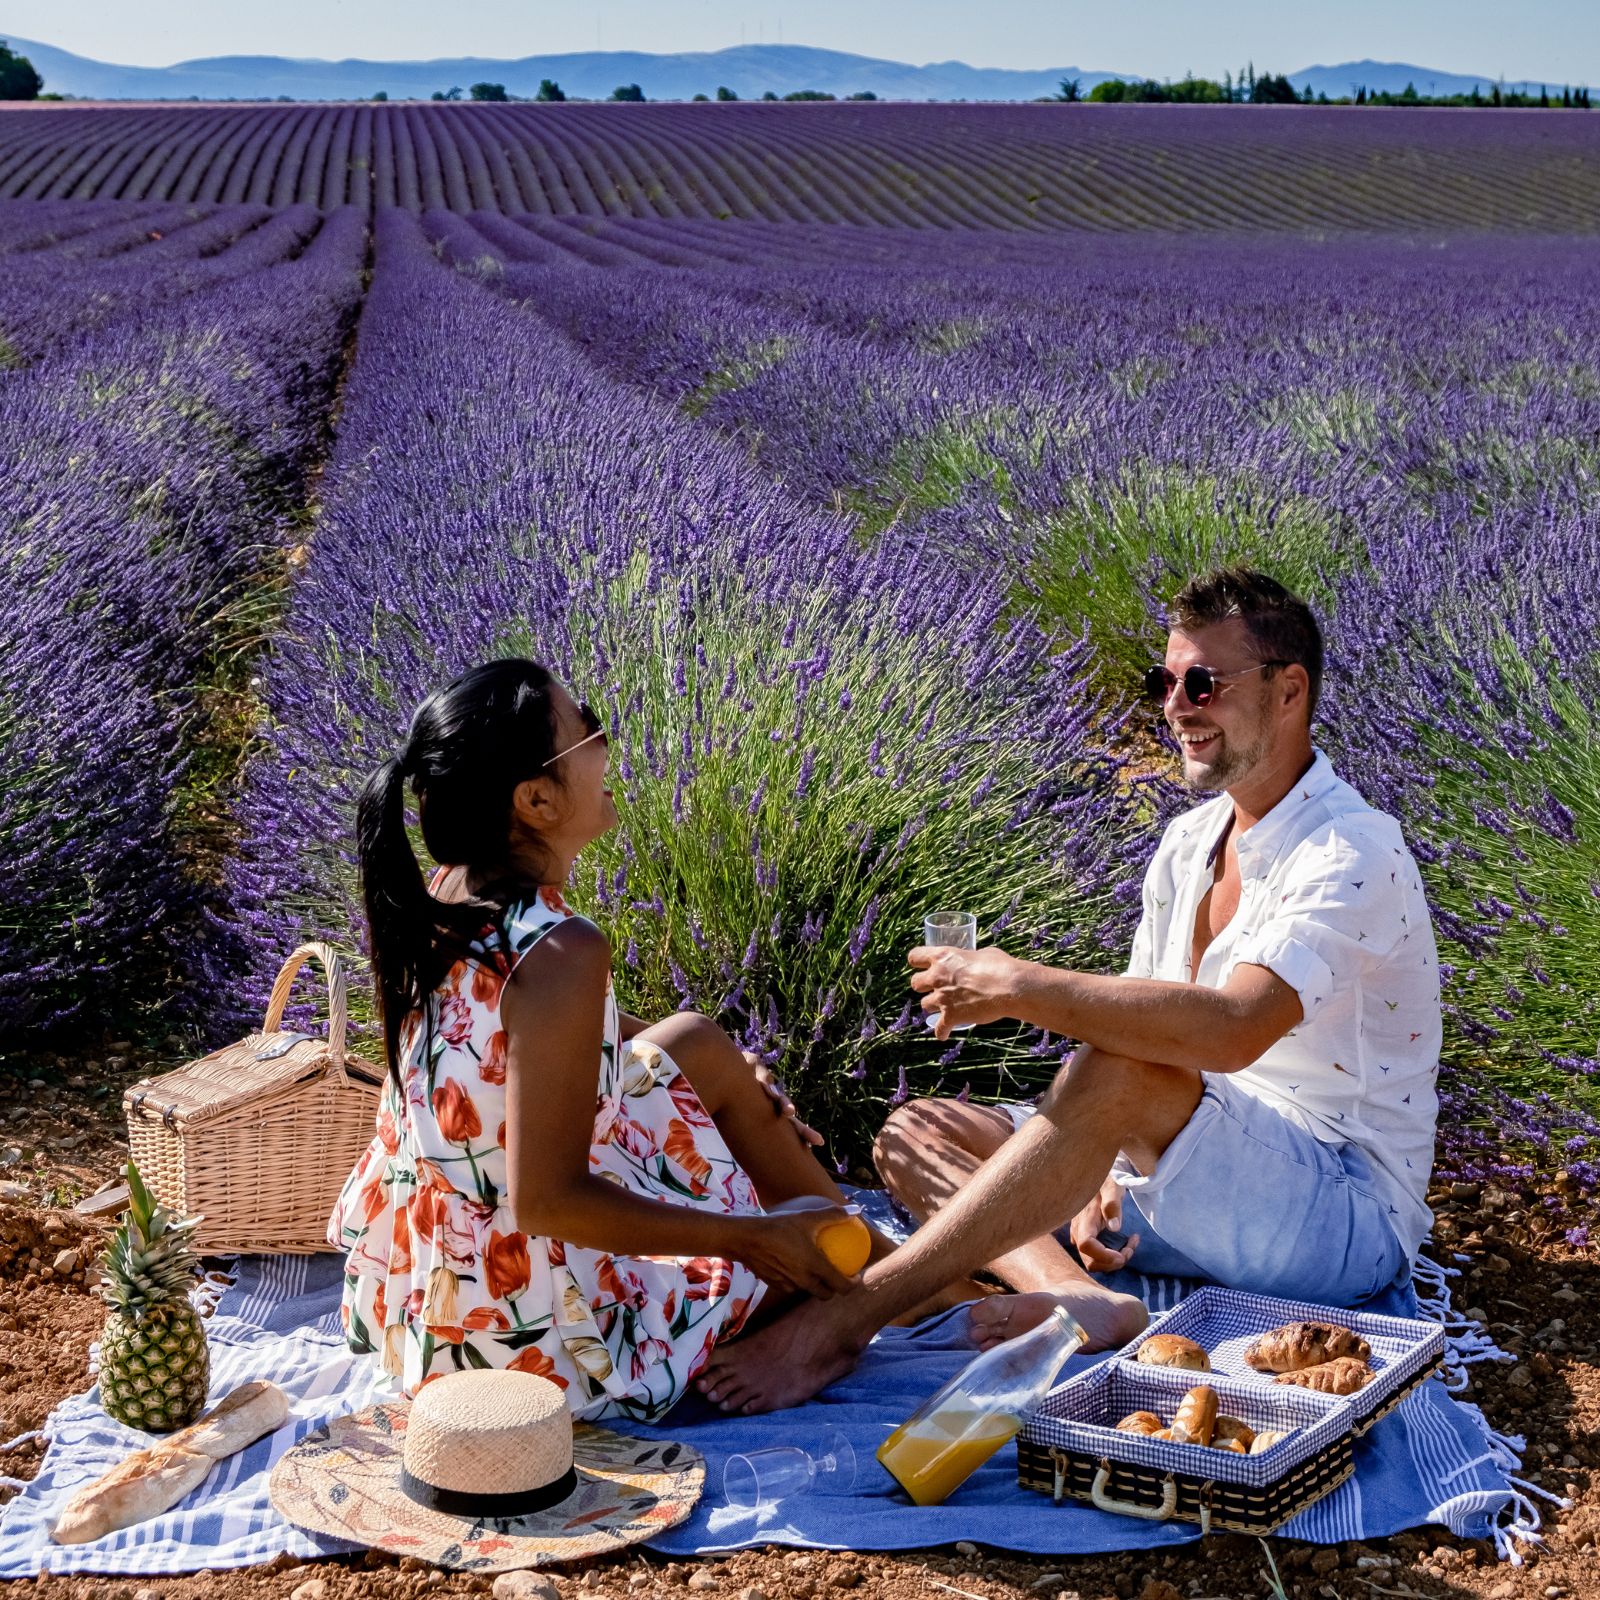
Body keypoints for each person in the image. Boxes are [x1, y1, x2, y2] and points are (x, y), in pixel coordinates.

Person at [696, 568, 1441, 1413]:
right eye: (1163, 682)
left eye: (1203, 683)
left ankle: (848, 1320)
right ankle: (1078, 1299)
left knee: (1118, 1075)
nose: (1175, 706)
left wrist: (1018, 984)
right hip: (1188, 1178)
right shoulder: (1190, 841)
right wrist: (1097, 1169)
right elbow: (1148, 1030)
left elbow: (1232, 1030)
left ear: (1288, 691)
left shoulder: (1351, 851)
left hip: (1334, 1212)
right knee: (915, 1129)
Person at [331, 658, 870, 1421]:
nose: (606, 740)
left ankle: (897, 1275)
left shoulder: (445, 892)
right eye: (585, 728)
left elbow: (510, 1038)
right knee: (800, 1243)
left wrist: (729, 1083)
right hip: (533, 1338)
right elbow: (549, 1202)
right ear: (536, 799)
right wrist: (746, 1238)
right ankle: (869, 1295)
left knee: (699, 1044)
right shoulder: (560, 951)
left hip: (443, 1294)